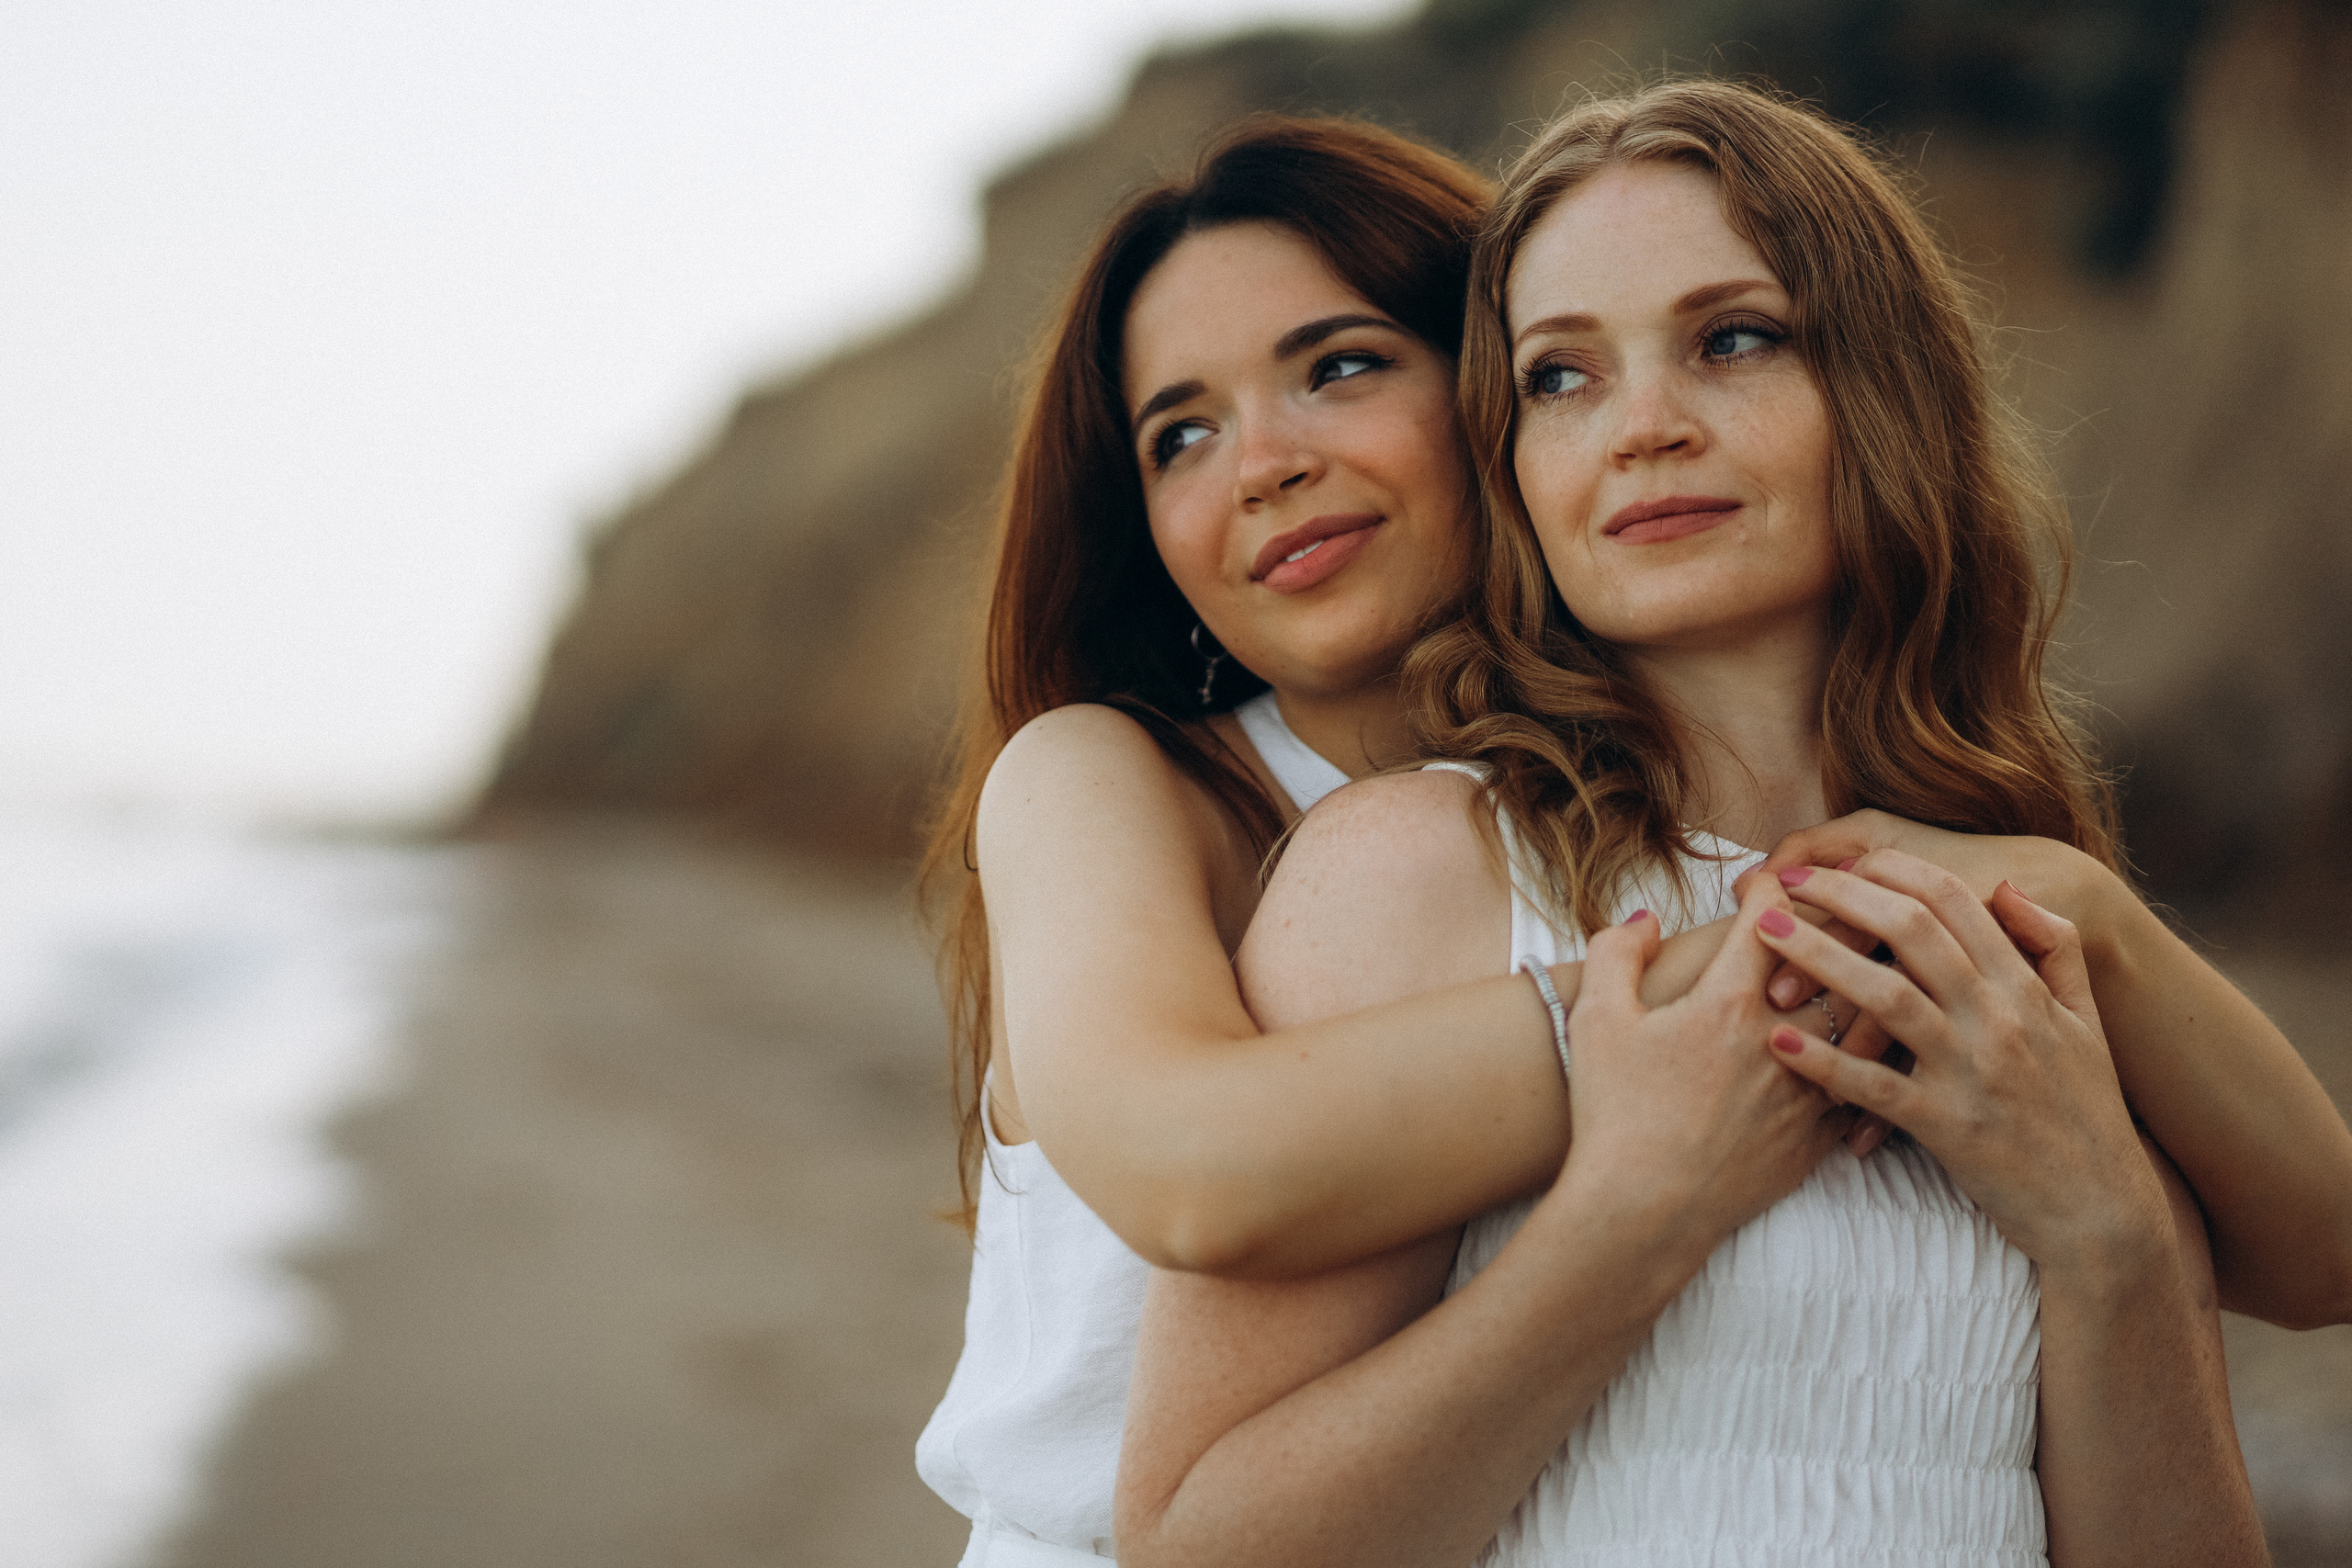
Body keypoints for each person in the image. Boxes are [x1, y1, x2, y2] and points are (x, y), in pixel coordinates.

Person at [916, 112, 2352, 1564]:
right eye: (1182, 434)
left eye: (1340, 367)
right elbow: (1201, 1176)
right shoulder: (1143, 794)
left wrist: (2071, 941)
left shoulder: (1955, 885)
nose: (1267, 463)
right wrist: (1803, 970)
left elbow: (2312, 1252)